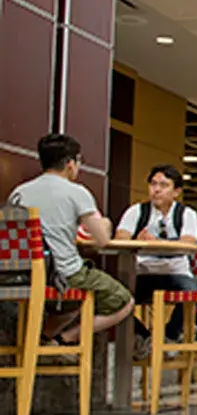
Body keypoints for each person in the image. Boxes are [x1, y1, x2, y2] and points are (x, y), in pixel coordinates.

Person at [7, 134, 131, 346]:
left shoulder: (19, 193)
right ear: (70, 163)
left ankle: (40, 342)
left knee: (73, 302)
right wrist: (106, 225)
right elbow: (102, 241)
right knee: (124, 301)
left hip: (22, 277)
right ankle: (63, 339)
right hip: (62, 274)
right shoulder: (76, 193)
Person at [113, 165, 197, 359]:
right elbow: (120, 238)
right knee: (112, 295)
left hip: (175, 274)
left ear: (176, 192)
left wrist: (157, 243)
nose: (157, 189)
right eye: (153, 184)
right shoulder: (136, 211)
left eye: (164, 185)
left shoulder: (186, 214)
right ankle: (143, 336)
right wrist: (137, 240)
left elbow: (188, 242)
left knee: (193, 290)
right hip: (142, 274)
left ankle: (170, 335)